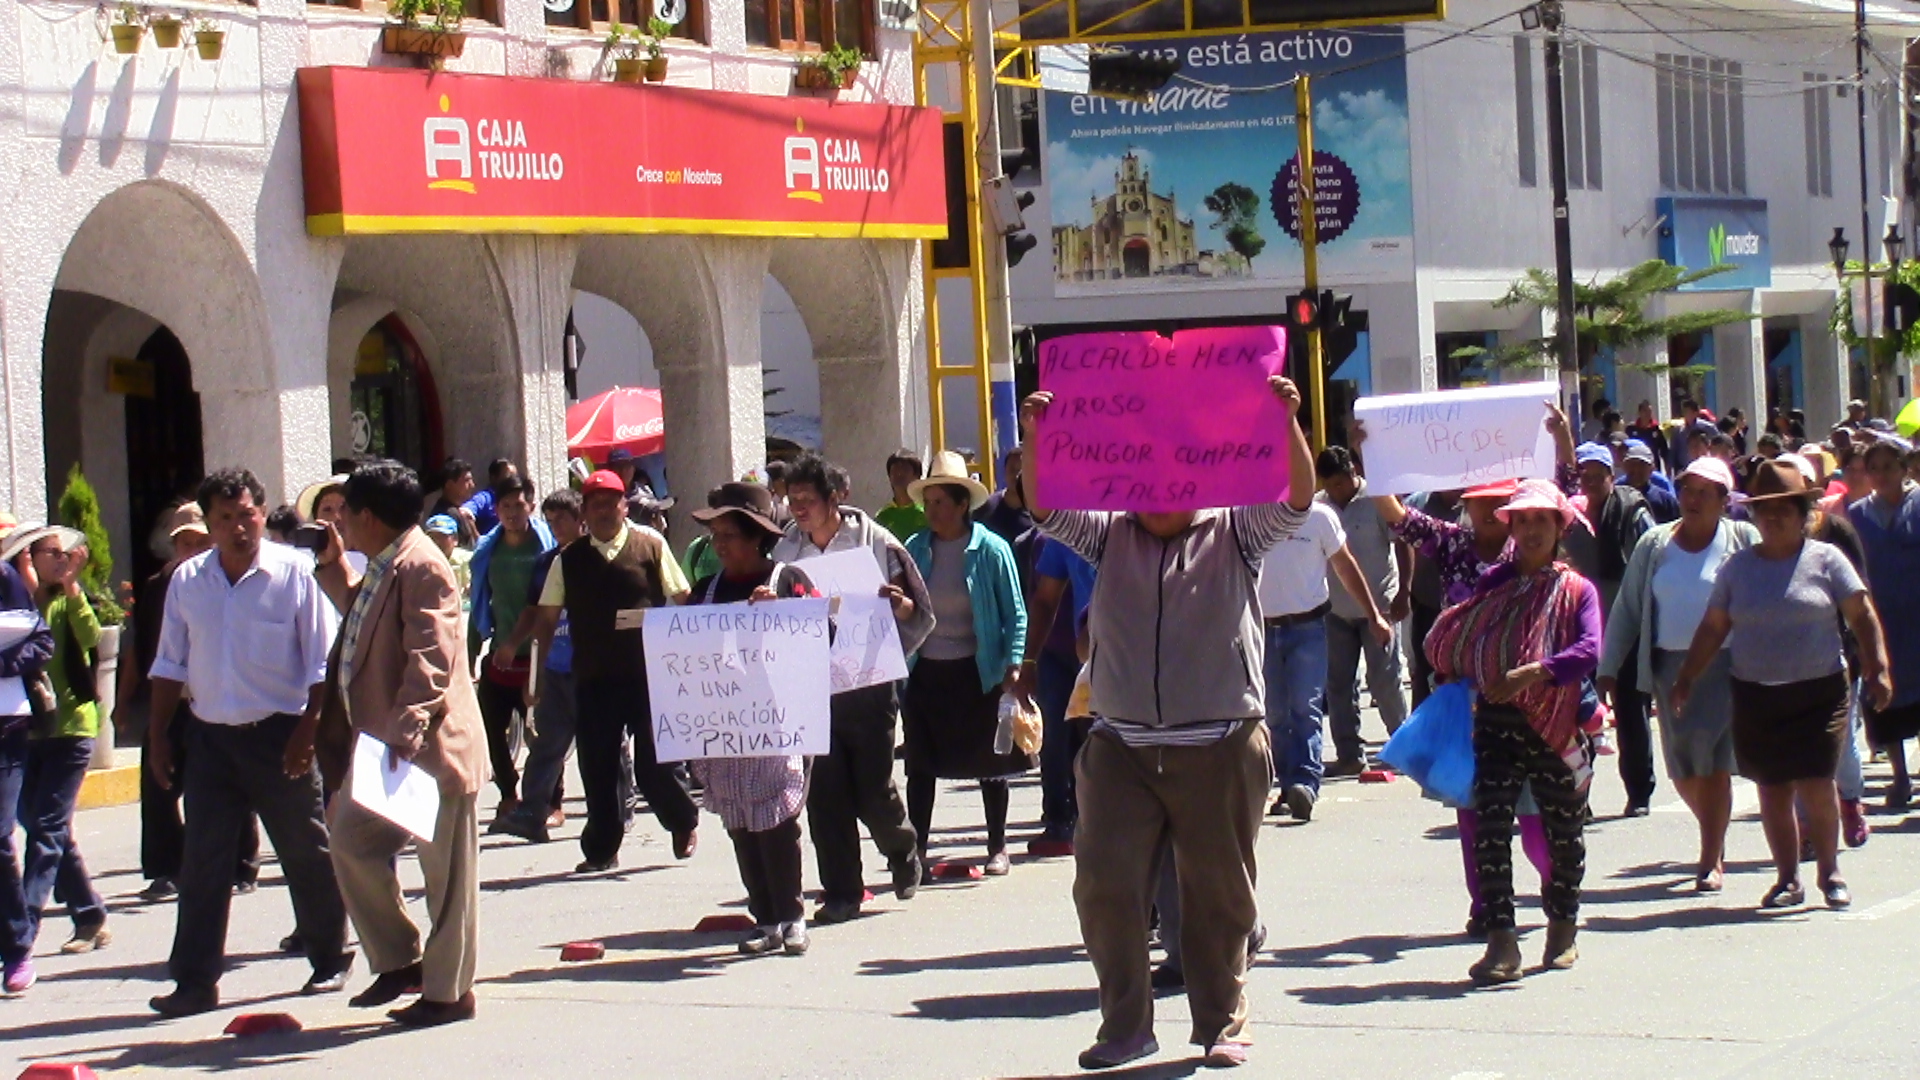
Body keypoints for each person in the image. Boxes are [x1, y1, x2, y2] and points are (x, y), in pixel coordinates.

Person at [1020, 375, 1314, 1071]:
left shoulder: (1239, 531)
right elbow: (1043, 505)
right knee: (1105, 889)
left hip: (1218, 744)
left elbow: (1298, 500)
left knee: (1218, 895)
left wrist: (1286, 421)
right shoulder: (1105, 534)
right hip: (1120, 746)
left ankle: (1223, 1023)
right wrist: (1036, 437)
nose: (1158, 495)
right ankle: (1125, 1025)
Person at [144, 468, 351, 1017]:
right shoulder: (188, 581)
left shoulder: (294, 572)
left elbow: (321, 661)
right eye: (226, 518)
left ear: (263, 513)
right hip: (211, 737)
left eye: (248, 515)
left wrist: (309, 728)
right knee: (203, 861)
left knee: (305, 849)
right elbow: (170, 661)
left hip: (279, 732)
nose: (239, 527)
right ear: (209, 525)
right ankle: (194, 981)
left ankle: (329, 955)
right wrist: (158, 736)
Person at [309, 461, 488, 1027]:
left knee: (448, 880)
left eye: (343, 513)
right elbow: (362, 627)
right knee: (351, 843)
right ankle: (399, 959)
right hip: (384, 748)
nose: (339, 523)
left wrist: (408, 729)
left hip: (428, 749)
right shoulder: (386, 564)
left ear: (367, 515)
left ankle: (449, 993)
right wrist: (330, 561)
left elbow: (431, 657)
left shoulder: (421, 565)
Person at [1674, 460, 1892, 910]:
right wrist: (1687, 676)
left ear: (1803, 514)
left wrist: (1878, 666)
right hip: (1756, 694)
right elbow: (1714, 627)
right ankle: (1787, 878)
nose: (1772, 519)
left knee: (1816, 782)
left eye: (1783, 510)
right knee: (1772, 788)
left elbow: (1861, 613)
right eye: (1763, 511)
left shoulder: (1826, 560)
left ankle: (1830, 872)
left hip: (1821, 690)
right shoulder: (1738, 568)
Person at [1424, 480, 1601, 984]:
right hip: (1497, 721)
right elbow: (1464, 630)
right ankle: (1502, 942)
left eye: (1539, 520)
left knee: (1564, 830)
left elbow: (1589, 649)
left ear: (1558, 526)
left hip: (1556, 723)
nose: (1529, 530)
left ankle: (1562, 926)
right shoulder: (1494, 584)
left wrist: (1536, 671)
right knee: (1491, 827)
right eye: (1520, 521)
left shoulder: (1575, 590)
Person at [772, 453, 933, 923]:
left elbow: (912, 608)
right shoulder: (786, 552)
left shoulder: (874, 541)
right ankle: (842, 890)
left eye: (807, 499)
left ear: (834, 498)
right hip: (811, 684)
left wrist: (899, 605)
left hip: (867, 679)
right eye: (793, 499)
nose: (799, 507)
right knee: (824, 794)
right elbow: (775, 607)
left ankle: (903, 849)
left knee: (872, 787)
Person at [523, 470, 695, 874]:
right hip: (594, 678)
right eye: (594, 503)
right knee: (598, 768)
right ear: (584, 511)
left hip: (649, 676)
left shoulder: (650, 546)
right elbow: (545, 621)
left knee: (656, 768)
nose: (603, 510)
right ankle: (601, 848)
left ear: (624, 505)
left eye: (610, 502)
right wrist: (534, 682)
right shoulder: (569, 559)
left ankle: (682, 820)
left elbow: (684, 599)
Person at [1601, 458, 1754, 892]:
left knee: (1716, 764)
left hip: (1728, 667)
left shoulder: (1742, 540)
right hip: (1670, 669)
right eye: (1688, 489)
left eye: (1706, 492)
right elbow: (1628, 609)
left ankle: (1710, 858)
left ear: (1725, 501)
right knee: (1684, 770)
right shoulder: (1654, 545)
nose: (1693, 499)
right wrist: (1608, 668)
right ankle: (1715, 833)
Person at [683, 483, 819, 957]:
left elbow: (826, 630)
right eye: (716, 534)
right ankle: (764, 917)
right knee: (740, 819)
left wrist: (783, 614)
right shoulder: (706, 591)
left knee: (777, 820)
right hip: (726, 722)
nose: (719, 544)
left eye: (730, 534)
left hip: (777, 720)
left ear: (757, 538)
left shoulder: (789, 580)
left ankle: (793, 913)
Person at [115, 506, 262, 904]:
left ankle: (241, 863)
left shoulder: (231, 580)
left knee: (230, 780)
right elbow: (141, 649)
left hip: (217, 698)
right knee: (158, 779)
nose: (192, 549)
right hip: (173, 699)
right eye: (184, 542)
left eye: (200, 541)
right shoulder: (159, 584)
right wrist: (125, 701)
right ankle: (165, 867)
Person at [902, 452, 1030, 878]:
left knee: (991, 763)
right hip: (926, 670)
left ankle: (997, 846)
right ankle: (916, 850)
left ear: (962, 505)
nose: (933, 511)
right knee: (921, 764)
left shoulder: (991, 550)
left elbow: (1016, 611)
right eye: (929, 502)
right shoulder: (915, 550)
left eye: (941, 502)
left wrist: (1013, 662)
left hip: (979, 671)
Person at [1256, 494, 1392, 822]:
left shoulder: (1320, 517)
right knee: (1274, 714)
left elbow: (1344, 565)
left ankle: (1304, 783)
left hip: (1307, 627)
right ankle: (1288, 786)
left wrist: (1373, 614)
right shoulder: (1252, 515)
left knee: (1305, 707)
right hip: (1263, 629)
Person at [8, 526, 110, 957]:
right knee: (41, 824)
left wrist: (72, 588)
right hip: (31, 729)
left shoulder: (71, 600)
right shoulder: (21, 602)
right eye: (37, 555)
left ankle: (25, 925)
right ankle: (89, 913)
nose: (48, 561)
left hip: (73, 729)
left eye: (55, 553)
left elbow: (91, 640)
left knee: (47, 827)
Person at [492, 490, 589, 843]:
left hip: (593, 667)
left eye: (562, 518)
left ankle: (614, 813)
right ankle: (532, 809)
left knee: (603, 744)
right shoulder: (546, 563)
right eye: (550, 521)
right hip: (554, 664)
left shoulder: (597, 559)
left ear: (581, 519)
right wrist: (526, 660)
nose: (556, 527)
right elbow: (535, 615)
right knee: (548, 740)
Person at [1315, 446, 1410, 775]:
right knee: (1338, 683)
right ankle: (1348, 752)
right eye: (1332, 484)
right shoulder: (1318, 507)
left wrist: (1403, 593)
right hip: (1334, 610)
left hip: (1381, 606)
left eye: (1343, 481)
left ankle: (1403, 746)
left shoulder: (1377, 499)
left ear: (1354, 472)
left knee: (1384, 679)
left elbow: (1403, 543)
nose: (1339, 489)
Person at [466, 474, 553, 820]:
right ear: (497, 511)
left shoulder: (544, 548)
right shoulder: (489, 549)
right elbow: (478, 601)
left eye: (519, 505)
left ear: (531, 506)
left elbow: (546, 606)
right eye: (506, 506)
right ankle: (508, 793)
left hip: (537, 655)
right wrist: (472, 650)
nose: (513, 513)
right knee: (489, 730)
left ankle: (552, 801)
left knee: (544, 735)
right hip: (499, 656)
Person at [1848, 437, 1920, 810]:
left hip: (1917, 616)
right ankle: (1900, 776)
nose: (1879, 475)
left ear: (1904, 469)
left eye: (1887, 467)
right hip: (1881, 616)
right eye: (1872, 468)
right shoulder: (1858, 514)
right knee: (1884, 696)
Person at [1014, 533, 1095, 853]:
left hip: (1146, 660)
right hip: (1077, 655)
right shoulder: (1065, 533)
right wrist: (1029, 659)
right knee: (1062, 738)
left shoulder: (1144, 518)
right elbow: (1044, 599)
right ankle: (1062, 817)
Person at [0, 531, 53, 994]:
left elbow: (41, 642)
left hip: (5, 725)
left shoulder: (5, 580)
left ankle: (16, 949)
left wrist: (3, 662)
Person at [974, 447, 1035, 550]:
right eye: (1012, 470)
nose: (1016, 476)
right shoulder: (987, 507)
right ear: (1004, 472)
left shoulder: (1039, 513)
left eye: (1022, 470)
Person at [875, 449, 929, 542]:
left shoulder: (927, 512)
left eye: (905, 470)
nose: (899, 474)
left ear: (917, 476)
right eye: (895, 470)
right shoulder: (882, 516)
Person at [1621, 440, 1680, 524]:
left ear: (1652, 468)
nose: (1636, 469)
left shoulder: (1666, 501)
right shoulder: (1616, 498)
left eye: (1642, 465)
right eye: (1632, 464)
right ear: (1625, 467)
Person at [429, 459, 481, 547]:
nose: (472, 485)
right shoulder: (446, 516)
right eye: (466, 480)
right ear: (449, 485)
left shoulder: (459, 511)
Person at [1626, 401, 1670, 468]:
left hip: (1653, 466)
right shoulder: (1631, 429)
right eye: (1645, 411)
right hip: (1636, 466)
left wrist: (1667, 467)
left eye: (1650, 411)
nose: (1648, 414)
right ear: (1639, 413)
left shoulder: (1657, 429)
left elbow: (1664, 450)